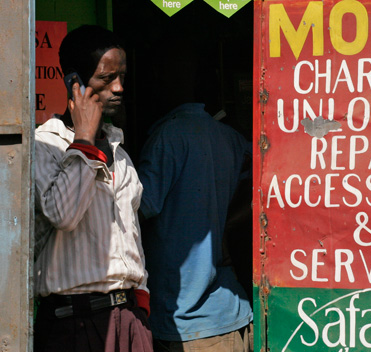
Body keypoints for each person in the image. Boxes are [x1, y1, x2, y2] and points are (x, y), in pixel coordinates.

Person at [33, 25, 153, 352]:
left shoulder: (120, 152)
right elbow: (65, 214)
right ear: (74, 82)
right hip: (73, 324)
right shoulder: (44, 147)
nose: (118, 88)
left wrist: (140, 308)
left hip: (128, 319)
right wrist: (83, 141)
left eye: (122, 77)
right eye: (105, 78)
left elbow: (132, 235)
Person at [137, 102, 253, 352]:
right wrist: (225, 222)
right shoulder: (230, 137)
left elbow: (135, 210)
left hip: (191, 325)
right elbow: (269, 186)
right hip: (232, 310)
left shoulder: (167, 136)